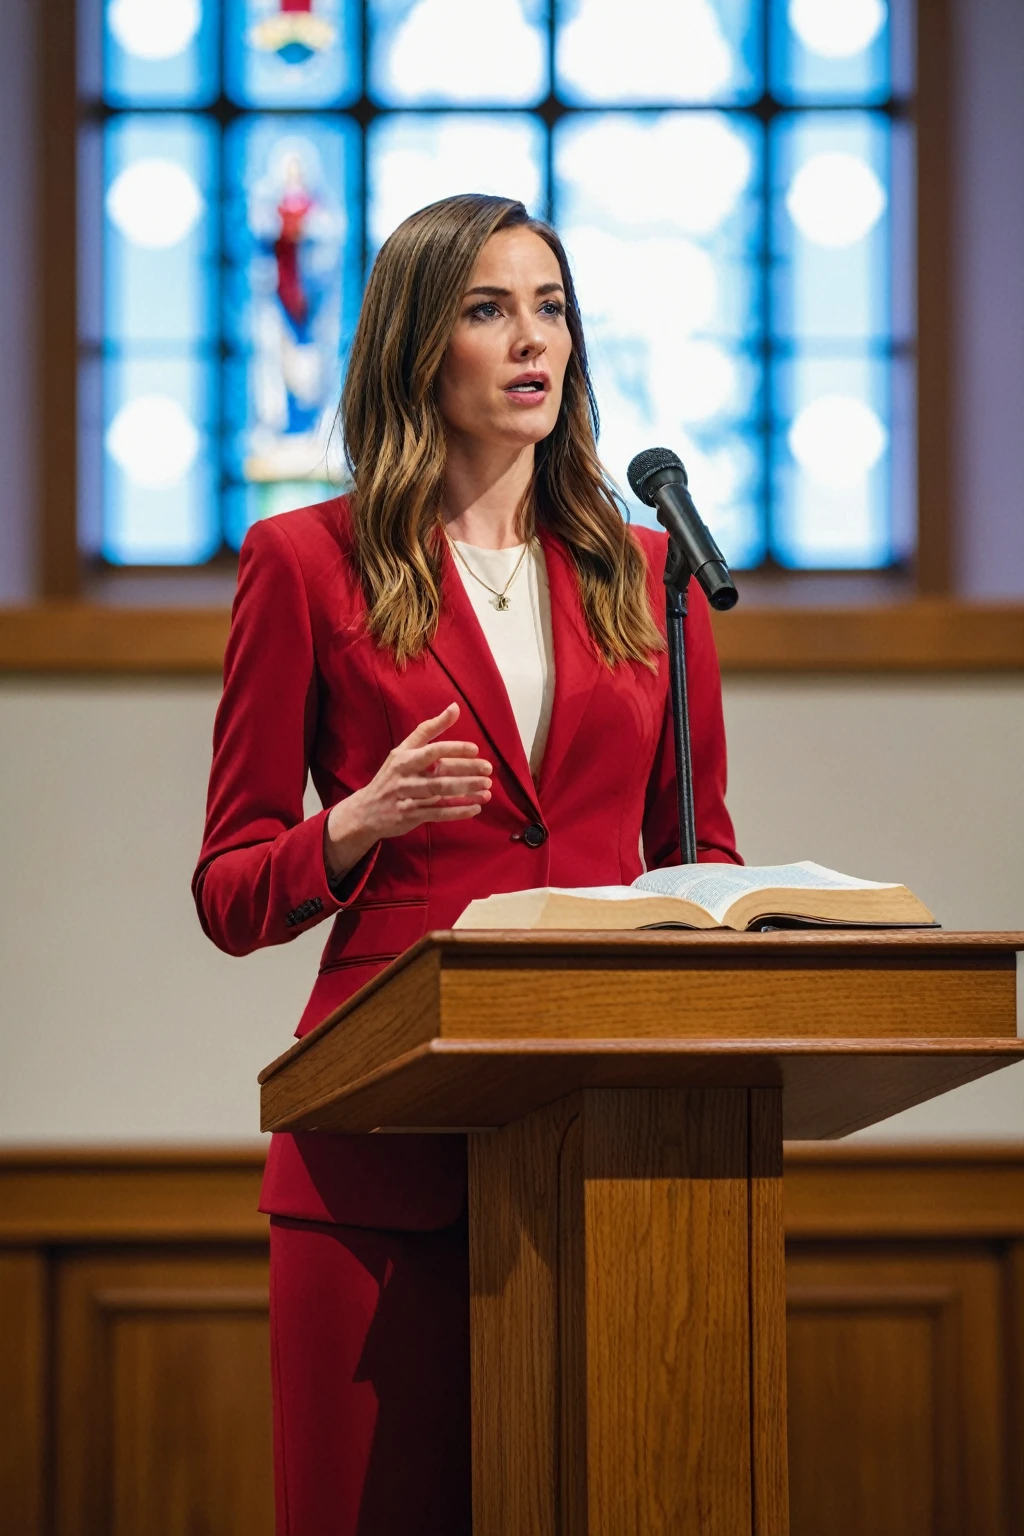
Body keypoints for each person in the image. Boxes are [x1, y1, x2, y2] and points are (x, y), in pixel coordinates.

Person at [193, 192, 740, 1536]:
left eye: (549, 309)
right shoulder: (304, 564)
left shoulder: (650, 576)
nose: (530, 340)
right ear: (415, 347)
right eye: (489, 310)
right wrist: (358, 822)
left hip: (613, 1144)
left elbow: (699, 852)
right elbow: (228, 887)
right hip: (383, 1146)